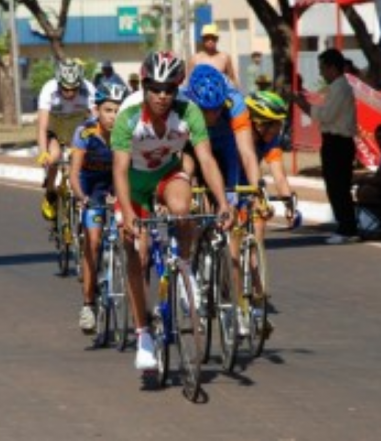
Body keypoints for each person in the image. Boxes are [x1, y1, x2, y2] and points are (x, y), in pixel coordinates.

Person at [112, 51, 233, 371]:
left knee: (183, 208)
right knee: (136, 253)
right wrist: (128, 215)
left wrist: (223, 202)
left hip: (167, 173)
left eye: (169, 89)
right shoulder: (128, 115)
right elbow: (120, 171)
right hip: (134, 184)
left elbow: (206, 159)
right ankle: (143, 336)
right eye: (155, 88)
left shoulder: (189, 111)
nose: (162, 96)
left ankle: (184, 269)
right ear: (145, 86)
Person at [183, 63, 261, 335]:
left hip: (226, 151)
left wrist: (254, 189)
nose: (213, 114)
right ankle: (192, 274)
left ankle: (236, 303)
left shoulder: (235, 101)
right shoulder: (182, 102)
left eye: (216, 108)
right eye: (206, 110)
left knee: (233, 239)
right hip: (192, 148)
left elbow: (247, 152)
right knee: (188, 191)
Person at [69, 82, 129, 334]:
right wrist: (82, 197)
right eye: (108, 110)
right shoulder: (84, 132)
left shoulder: (127, 132)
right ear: (97, 110)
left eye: (118, 110)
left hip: (114, 184)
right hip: (89, 186)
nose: (113, 116)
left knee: (131, 236)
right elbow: (73, 174)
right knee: (93, 242)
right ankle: (88, 305)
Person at [289, 48, 359, 244]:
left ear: (332, 68)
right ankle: (345, 226)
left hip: (339, 142)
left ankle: (348, 228)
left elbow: (326, 115)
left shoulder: (340, 87)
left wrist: (302, 104)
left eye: (323, 68)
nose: (321, 73)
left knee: (338, 186)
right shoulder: (337, 87)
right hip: (333, 141)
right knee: (334, 186)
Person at [36, 58, 96, 222]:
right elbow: (42, 126)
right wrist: (43, 152)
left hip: (77, 126)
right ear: (58, 82)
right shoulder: (48, 89)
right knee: (54, 157)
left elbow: (97, 122)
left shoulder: (89, 89)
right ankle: (50, 193)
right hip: (54, 124)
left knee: (79, 161)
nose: (69, 93)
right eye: (65, 88)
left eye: (74, 89)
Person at [245, 91, 302, 231]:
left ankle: (254, 253)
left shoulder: (272, 141)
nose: (280, 130)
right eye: (277, 124)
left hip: (249, 177)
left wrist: (290, 206)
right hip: (228, 171)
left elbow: (280, 177)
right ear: (260, 124)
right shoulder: (239, 137)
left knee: (260, 218)